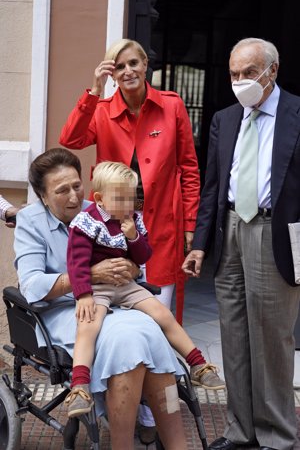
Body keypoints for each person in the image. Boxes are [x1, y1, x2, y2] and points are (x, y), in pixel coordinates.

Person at [59, 37, 223, 443]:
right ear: (111, 71)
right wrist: (93, 92)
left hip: (159, 230)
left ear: (146, 64)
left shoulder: (171, 105)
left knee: (158, 318)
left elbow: (188, 168)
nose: (127, 71)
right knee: (116, 326)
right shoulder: (102, 108)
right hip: (110, 233)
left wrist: (190, 229)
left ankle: (155, 407)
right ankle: (119, 401)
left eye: (133, 63)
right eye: (119, 66)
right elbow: (71, 140)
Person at [14, 147, 188, 450]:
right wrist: (89, 275)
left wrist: (131, 266)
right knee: (129, 338)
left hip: (118, 302)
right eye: (61, 191)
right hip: (66, 311)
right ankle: (127, 441)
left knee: (149, 330)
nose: (73, 197)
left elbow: (139, 264)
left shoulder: (105, 208)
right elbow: (31, 285)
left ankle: (174, 441)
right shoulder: (31, 221)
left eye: (77, 186)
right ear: (42, 197)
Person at [182, 37, 300, 450]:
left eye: (249, 73)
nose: (240, 81)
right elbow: (213, 186)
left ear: (272, 71)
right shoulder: (225, 119)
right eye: (234, 74)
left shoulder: (296, 114)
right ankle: (241, 431)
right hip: (229, 229)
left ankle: (278, 437)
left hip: (275, 234)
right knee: (234, 334)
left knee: (272, 339)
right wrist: (199, 243)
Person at [65, 160, 224, 418]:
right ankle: (79, 386)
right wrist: (83, 294)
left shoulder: (133, 220)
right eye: (121, 199)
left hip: (127, 284)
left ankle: (198, 365)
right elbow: (77, 262)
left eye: (132, 198)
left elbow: (143, 257)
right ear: (100, 199)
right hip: (98, 287)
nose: (129, 205)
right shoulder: (87, 222)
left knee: (162, 314)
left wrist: (133, 237)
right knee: (88, 325)